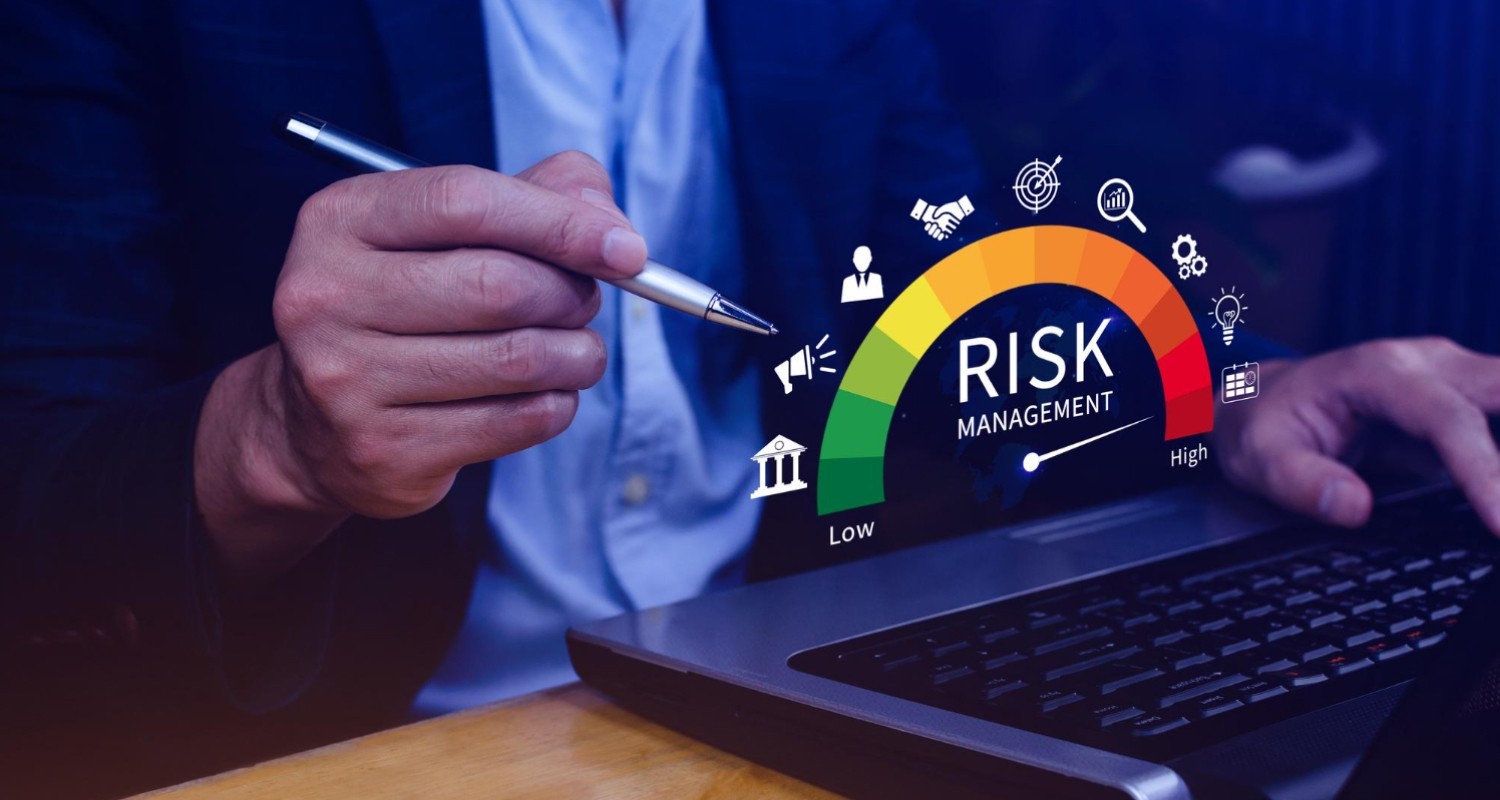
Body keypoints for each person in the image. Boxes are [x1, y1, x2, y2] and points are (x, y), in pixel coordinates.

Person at [2, 1, 1499, 797]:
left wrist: (1234, 392)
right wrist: (268, 442)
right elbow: (32, 489)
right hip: (359, 748)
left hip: (778, 708)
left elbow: (951, 301)